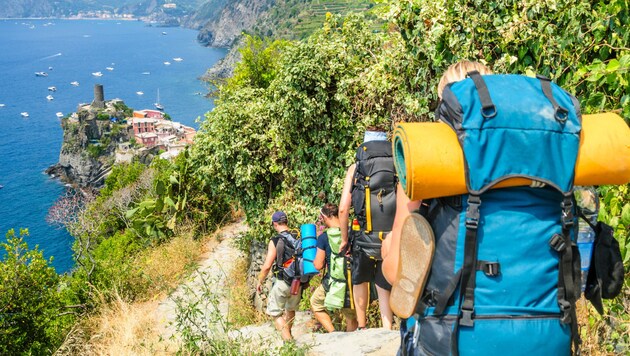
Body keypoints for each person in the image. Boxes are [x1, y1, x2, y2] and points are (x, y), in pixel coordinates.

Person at [381, 60, 493, 286]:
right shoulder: (526, 157)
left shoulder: (421, 162)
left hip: (450, 312)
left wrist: (388, 248)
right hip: (534, 311)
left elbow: (397, 273)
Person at [339, 127, 397, 330]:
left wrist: (345, 240)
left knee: (360, 279)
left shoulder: (356, 167)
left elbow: (343, 208)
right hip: (391, 235)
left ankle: (362, 327)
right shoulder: (397, 163)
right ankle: (387, 327)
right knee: (383, 282)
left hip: (363, 235)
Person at [310, 203, 358, 332]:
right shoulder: (351, 232)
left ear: (326, 217)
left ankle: (333, 333)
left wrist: (313, 262)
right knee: (351, 318)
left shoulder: (324, 237)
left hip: (333, 282)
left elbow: (319, 265)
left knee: (316, 303)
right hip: (351, 280)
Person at [256, 211, 301, 341]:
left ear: (275, 224)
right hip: (297, 282)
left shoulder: (275, 240)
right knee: (290, 309)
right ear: (286, 221)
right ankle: (289, 334)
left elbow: (266, 266)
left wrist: (260, 281)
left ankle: (289, 343)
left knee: (275, 313)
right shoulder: (297, 236)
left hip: (283, 281)